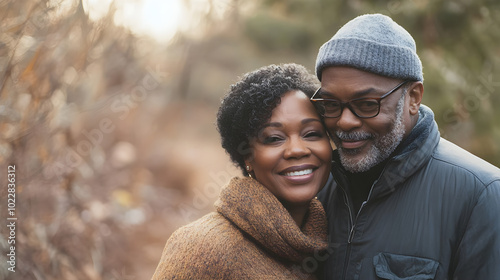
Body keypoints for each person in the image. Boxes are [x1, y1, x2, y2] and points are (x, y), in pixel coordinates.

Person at [310, 13, 500, 280]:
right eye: (331, 104)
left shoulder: (482, 195)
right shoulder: (315, 185)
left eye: (366, 104)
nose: (345, 121)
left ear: (413, 98)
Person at [152, 63, 332, 279]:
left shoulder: (328, 241)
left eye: (312, 134)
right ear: (247, 156)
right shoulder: (203, 247)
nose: (297, 150)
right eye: (274, 138)